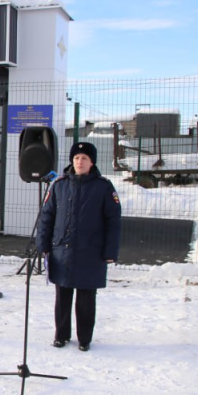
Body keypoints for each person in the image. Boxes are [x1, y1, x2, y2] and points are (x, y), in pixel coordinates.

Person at [36, 141, 122, 352]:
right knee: (62, 296)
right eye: (76, 158)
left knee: (86, 299)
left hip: (91, 252)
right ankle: (61, 335)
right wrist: (43, 244)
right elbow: (47, 216)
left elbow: (113, 221)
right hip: (61, 251)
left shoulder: (104, 187)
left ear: (92, 162)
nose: (79, 162)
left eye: (84, 158)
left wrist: (110, 251)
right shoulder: (59, 185)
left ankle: (84, 338)